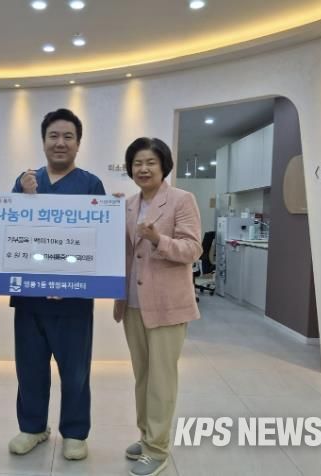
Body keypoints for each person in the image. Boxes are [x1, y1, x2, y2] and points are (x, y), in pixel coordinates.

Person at [8, 108, 106, 460]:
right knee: (30, 367)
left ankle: (75, 433)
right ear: (43, 141)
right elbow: (11, 232)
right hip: (30, 298)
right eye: (53, 136)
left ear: (78, 143)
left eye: (68, 136)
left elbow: (99, 242)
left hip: (74, 300)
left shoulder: (91, 185)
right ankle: (33, 427)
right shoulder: (25, 181)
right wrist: (24, 196)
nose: (60, 142)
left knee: (75, 371)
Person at [114, 137, 202, 476]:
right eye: (137, 163)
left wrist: (158, 239)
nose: (143, 168)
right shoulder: (129, 204)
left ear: (164, 165)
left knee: (161, 380)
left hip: (167, 306)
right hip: (133, 304)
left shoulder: (181, 199)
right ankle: (147, 435)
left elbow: (193, 249)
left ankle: (157, 448)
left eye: (150, 162)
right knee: (143, 376)